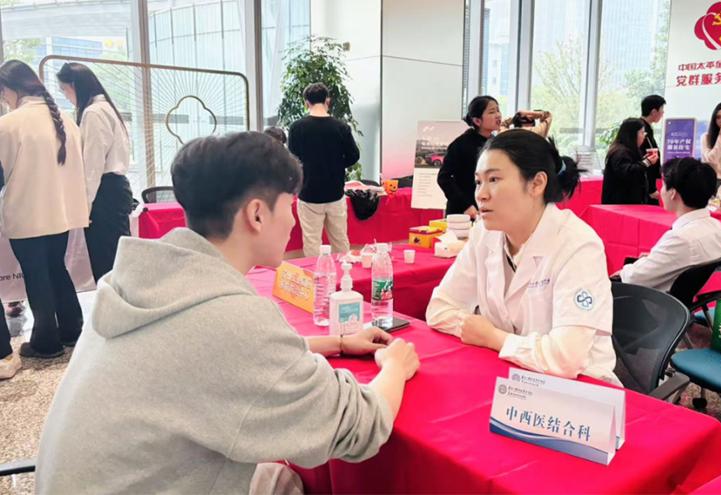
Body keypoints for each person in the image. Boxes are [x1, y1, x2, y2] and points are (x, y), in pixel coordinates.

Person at [35, 132, 420, 493]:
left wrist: (336, 342)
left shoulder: (137, 282)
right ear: (257, 214)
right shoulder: (232, 320)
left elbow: (205, 351)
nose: (292, 219)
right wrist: (394, 368)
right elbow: (358, 427)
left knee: (274, 476)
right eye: (289, 205)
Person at [426, 129, 618, 384]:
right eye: (478, 182)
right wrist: (472, 326)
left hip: (578, 388)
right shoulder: (485, 233)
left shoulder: (577, 245)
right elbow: (439, 308)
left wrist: (492, 337)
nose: (481, 194)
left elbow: (565, 359)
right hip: (509, 376)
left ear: (537, 184)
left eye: (494, 179)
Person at [0, 60, 88, 371]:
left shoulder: (10, 124)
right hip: (61, 214)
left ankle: (46, 342)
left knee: (36, 275)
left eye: (3, 94)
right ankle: (72, 329)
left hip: (28, 212)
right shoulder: (64, 119)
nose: (4, 100)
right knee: (56, 268)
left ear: (11, 88)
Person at [56, 62, 135, 282]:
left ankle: (112, 302)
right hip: (113, 189)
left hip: (104, 192)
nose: (66, 96)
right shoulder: (106, 108)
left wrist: (85, 208)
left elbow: (92, 166)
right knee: (116, 259)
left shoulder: (94, 113)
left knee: (106, 261)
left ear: (75, 85)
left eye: (65, 90)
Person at [617, 157, 721, 291]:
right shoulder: (719, 228)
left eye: (664, 185)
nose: (661, 190)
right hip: (680, 299)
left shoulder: (680, 239)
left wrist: (626, 270)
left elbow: (633, 278)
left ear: (673, 193)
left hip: (654, 300)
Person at [288, 82, 359, 257]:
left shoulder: (297, 127)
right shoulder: (341, 127)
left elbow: (292, 157)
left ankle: (315, 273)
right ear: (328, 101)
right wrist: (336, 164)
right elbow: (354, 156)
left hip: (308, 193)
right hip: (335, 192)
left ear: (306, 103)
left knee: (312, 241)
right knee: (340, 240)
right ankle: (344, 271)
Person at [438, 95, 501, 218]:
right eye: (492, 112)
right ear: (477, 121)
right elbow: (444, 178)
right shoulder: (460, 144)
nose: (498, 115)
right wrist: (465, 205)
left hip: (488, 206)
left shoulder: (497, 142)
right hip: (463, 211)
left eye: (498, 110)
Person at [601, 117, 658, 205]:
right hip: (620, 203)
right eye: (642, 133)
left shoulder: (628, 150)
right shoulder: (620, 152)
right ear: (633, 134)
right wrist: (647, 162)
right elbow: (628, 172)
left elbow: (633, 166)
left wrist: (644, 160)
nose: (644, 136)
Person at [640, 95, 666, 205]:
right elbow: (647, 160)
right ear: (654, 112)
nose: (663, 113)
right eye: (662, 110)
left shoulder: (646, 128)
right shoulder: (642, 130)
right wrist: (651, 188)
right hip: (644, 184)